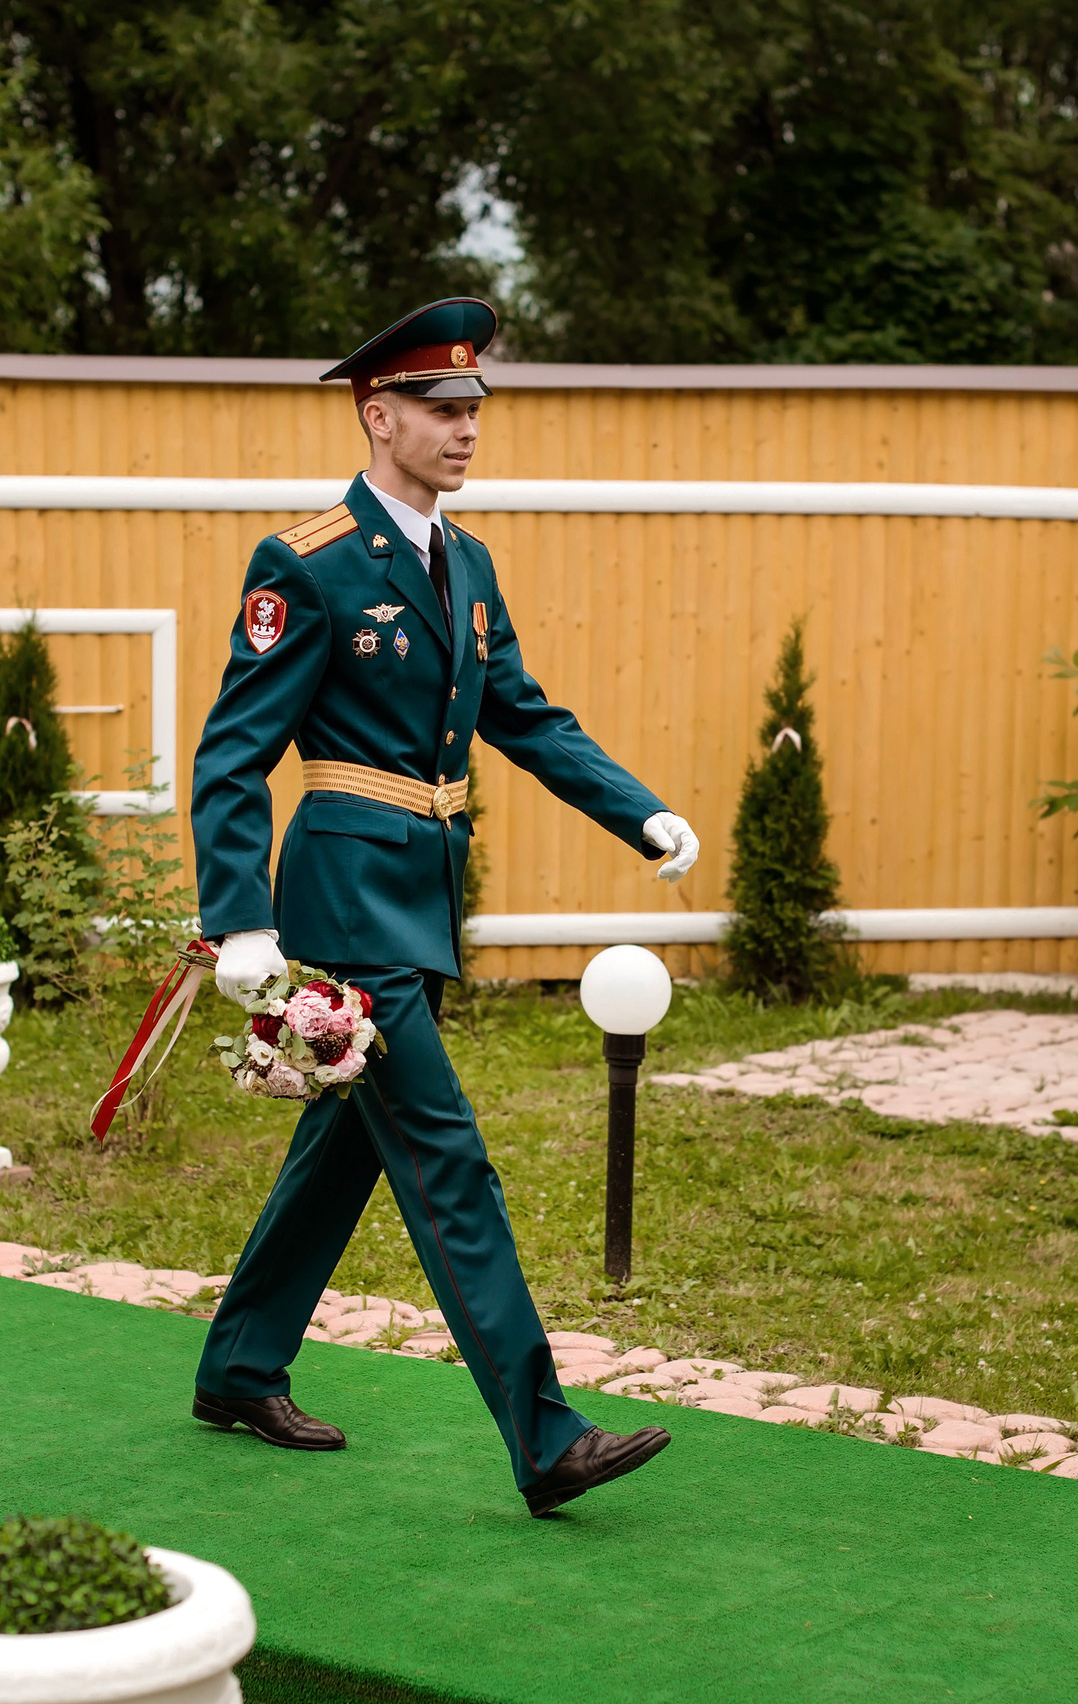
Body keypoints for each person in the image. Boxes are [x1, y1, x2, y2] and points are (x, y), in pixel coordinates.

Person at [186, 297, 702, 1517]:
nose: (466, 427)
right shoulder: (306, 562)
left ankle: (239, 1366)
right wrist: (240, 916)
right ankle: (544, 1434)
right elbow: (233, 751)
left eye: (474, 406)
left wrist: (638, 811)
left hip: (420, 893)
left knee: (346, 1149)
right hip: (346, 901)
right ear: (379, 415)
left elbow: (521, 714)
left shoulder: (465, 563)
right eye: (440, 407)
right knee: (448, 1159)